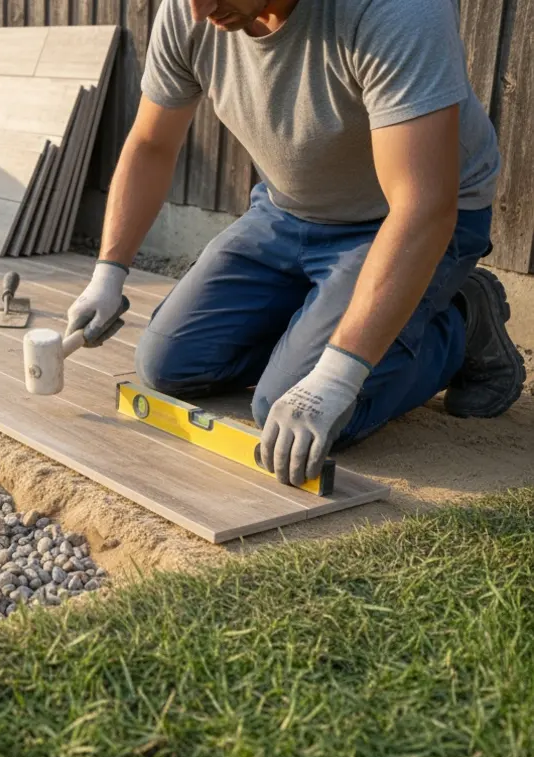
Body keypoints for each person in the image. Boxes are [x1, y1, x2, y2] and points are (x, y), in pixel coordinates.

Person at [67, 0, 525, 488]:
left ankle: (461, 322)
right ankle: (323, 329)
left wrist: (334, 379)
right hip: (286, 211)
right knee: (167, 364)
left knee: (290, 405)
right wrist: (107, 274)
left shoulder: (394, 11)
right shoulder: (190, 10)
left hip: (408, 220)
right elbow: (151, 145)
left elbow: (422, 208)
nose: (198, 11)